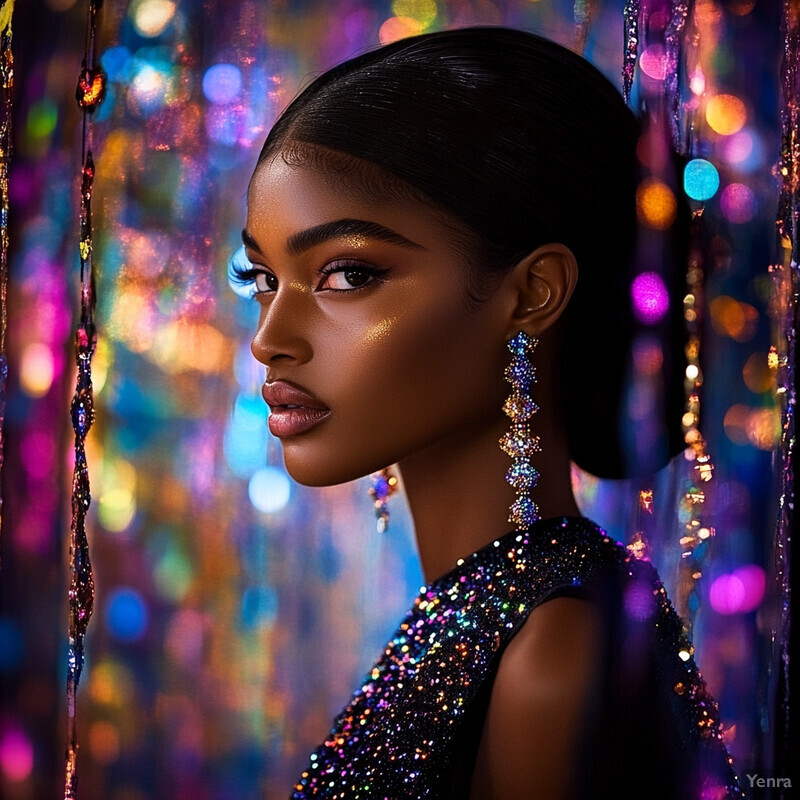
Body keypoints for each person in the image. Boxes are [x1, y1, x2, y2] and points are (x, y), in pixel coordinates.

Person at [231, 26, 742, 799]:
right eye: (262, 278)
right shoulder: (486, 617)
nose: (270, 339)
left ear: (531, 293)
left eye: (347, 275)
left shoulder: (551, 657)